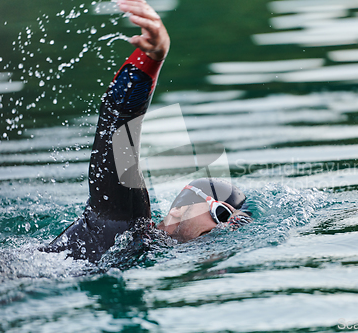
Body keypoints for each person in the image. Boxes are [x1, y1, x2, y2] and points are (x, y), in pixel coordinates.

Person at [41, 0, 252, 263]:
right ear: (179, 210)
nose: (225, 230)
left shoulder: (149, 253)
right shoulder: (128, 220)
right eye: (221, 214)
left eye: (235, 226)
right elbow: (116, 126)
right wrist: (152, 59)